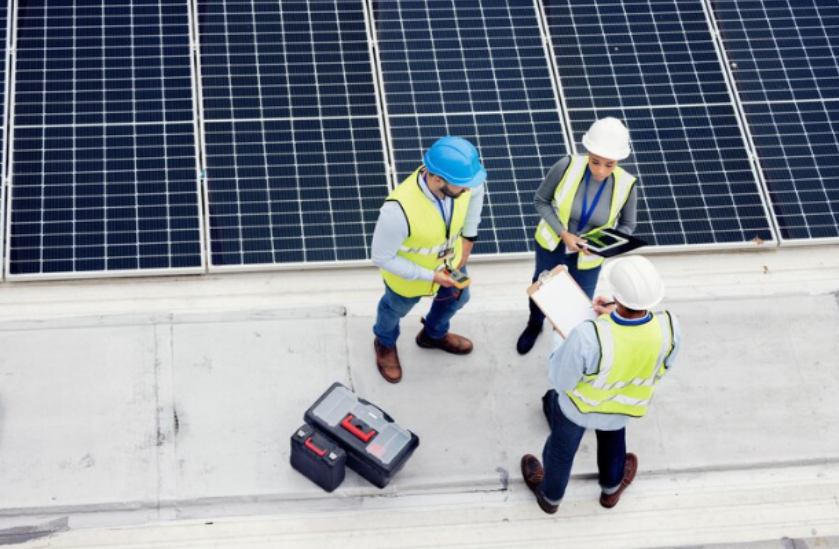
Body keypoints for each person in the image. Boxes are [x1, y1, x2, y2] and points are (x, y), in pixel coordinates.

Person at [520, 255, 682, 514]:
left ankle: (550, 498)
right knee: (614, 443)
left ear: (616, 297)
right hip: (623, 408)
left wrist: (559, 335)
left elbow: (560, 379)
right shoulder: (670, 327)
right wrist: (613, 315)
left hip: (577, 409)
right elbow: (661, 366)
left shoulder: (587, 335)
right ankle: (611, 490)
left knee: (561, 451)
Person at [517, 117, 639, 355]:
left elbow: (627, 226)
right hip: (552, 245)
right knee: (542, 288)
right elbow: (541, 200)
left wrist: (599, 246)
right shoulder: (566, 165)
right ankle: (534, 324)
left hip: (589, 256)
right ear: (588, 151)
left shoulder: (628, 184)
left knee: (581, 304)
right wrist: (564, 234)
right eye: (595, 162)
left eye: (609, 164)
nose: (600, 170)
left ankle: (562, 342)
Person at [370, 136, 487, 384]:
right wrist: (431, 277)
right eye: (462, 186)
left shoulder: (462, 183)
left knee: (459, 298)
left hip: (451, 263)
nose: (467, 189)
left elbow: (477, 192)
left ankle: (432, 335)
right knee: (393, 310)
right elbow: (381, 257)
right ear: (437, 180)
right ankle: (384, 342)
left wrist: (469, 236)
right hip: (409, 279)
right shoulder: (397, 210)